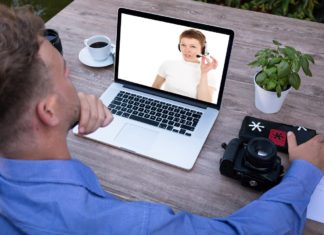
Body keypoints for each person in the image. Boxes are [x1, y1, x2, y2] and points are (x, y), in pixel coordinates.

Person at [0, 4, 323, 235]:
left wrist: (64, 119)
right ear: (48, 111)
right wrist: (304, 173)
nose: (72, 77)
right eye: (65, 72)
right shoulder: (127, 224)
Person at [152, 29, 218, 102]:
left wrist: (204, 73)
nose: (187, 50)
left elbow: (206, 103)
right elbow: (154, 88)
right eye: (183, 45)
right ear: (179, 46)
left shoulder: (208, 74)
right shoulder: (168, 64)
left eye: (192, 46)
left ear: (202, 49)